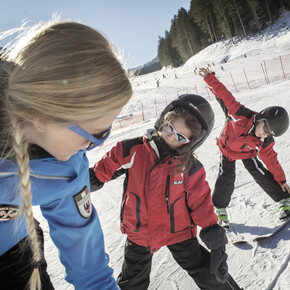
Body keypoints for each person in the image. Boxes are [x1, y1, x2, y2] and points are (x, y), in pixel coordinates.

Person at [0, 21, 132, 290]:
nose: (90, 146)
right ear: (44, 116)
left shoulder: (68, 170)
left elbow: (91, 272)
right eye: (93, 134)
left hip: (12, 245)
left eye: (105, 133)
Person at [90, 95, 242, 289]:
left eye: (180, 137)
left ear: (191, 142)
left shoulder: (189, 166)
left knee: (208, 272)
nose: (170, 136)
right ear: (164, 119)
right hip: (140, 231)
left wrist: (217, 245)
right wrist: (78, 181)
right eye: (169, 127)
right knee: (132, 281)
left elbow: (201, 204)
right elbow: (101, 171)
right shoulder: (132, 149)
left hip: (178, 231)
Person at [199, 67, 290, 227]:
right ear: (261, 118)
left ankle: (284, 199)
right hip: (227, 148)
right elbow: (224, 95)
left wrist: (282, 180)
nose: (266, 134)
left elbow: (271, 161)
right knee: (226, 176)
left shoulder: (264, 141)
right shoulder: (240, 114)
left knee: (259, 172)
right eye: (266, 129)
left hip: (247, 153)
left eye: (270, 134)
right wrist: (209, 78)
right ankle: (219, 209)